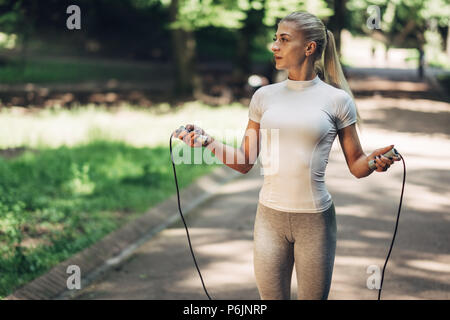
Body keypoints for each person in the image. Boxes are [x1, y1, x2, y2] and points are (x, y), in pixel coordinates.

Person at [172, 11, 401, 300]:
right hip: (269, 219)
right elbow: (244, 161)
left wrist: (374, 162)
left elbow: (356, 165)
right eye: (275, 38)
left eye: (284, 39)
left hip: (315, 222)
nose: (274, 46)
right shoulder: (264, 97)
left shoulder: (337, 100)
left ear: (309, 48)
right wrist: (207, 141)